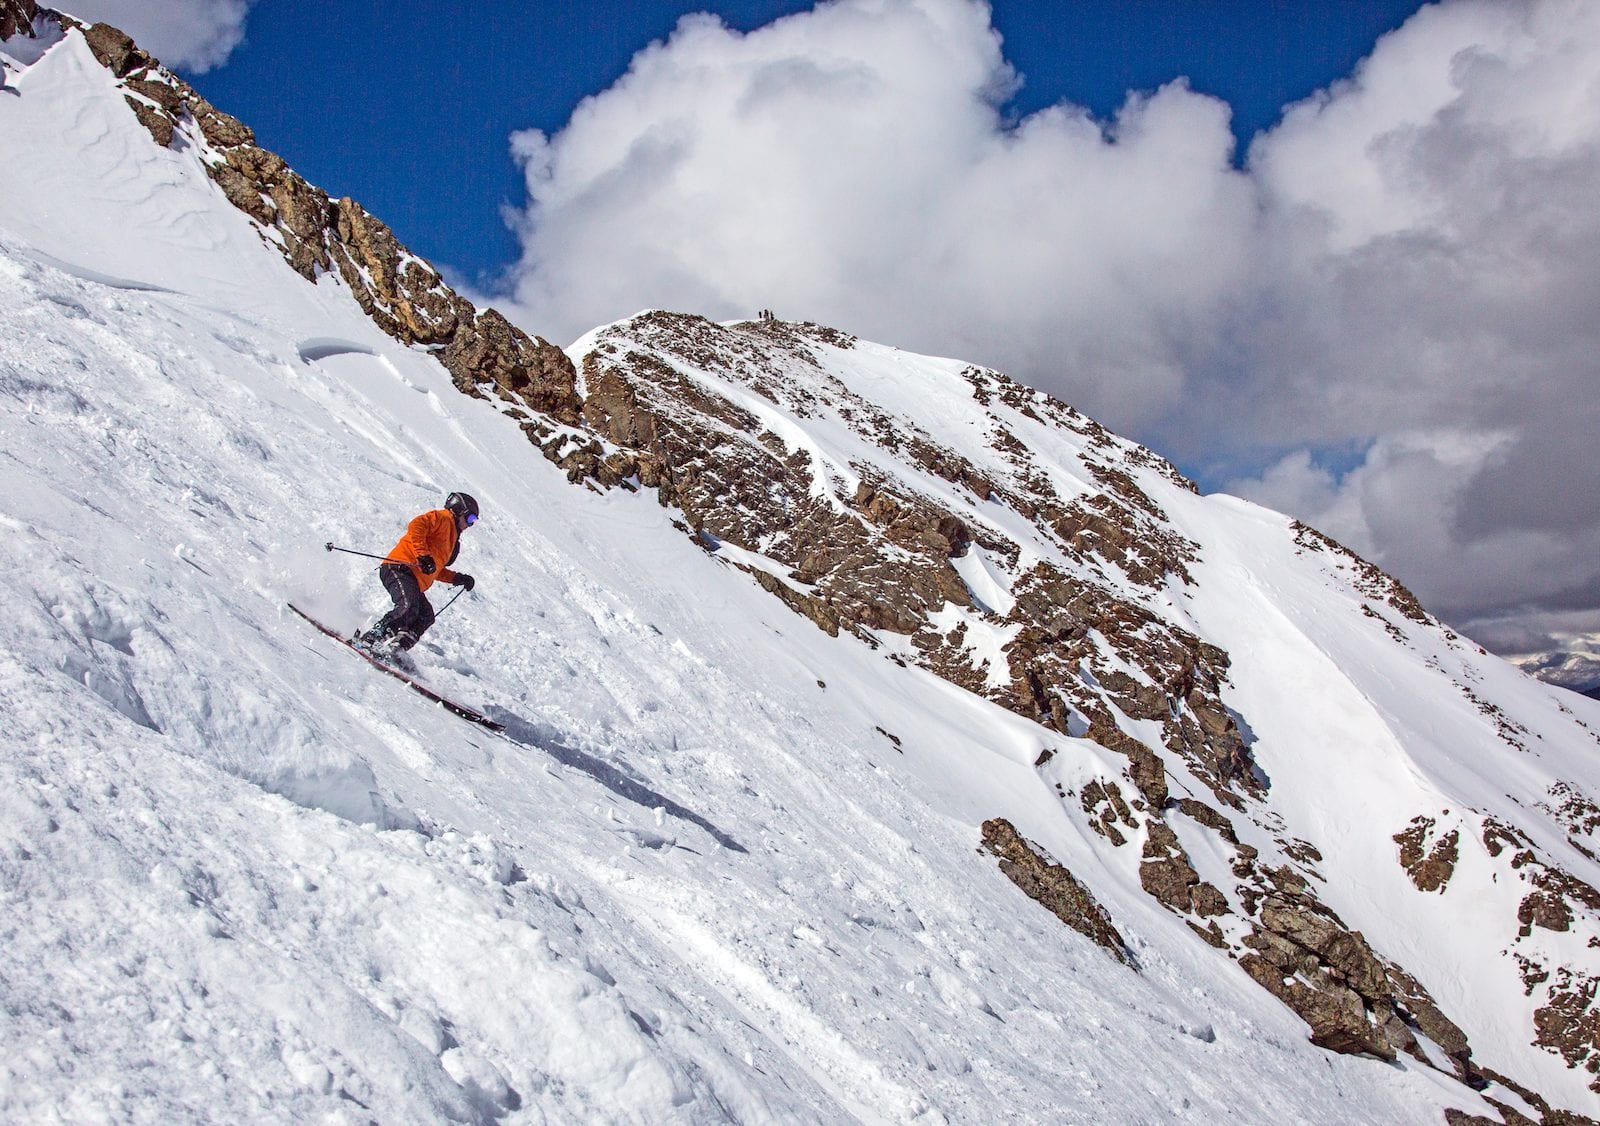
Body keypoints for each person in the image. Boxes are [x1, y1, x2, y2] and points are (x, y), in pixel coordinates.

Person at [359, 492, 479, 654]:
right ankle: (370, 639)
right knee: (408, 607)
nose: (470, 525)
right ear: (459, 510)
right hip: (399, 568)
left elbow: (435, 569)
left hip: (413, 580)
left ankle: (397, 650)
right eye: (470, 519)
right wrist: (422, 555)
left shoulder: (451, 539)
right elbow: (417, 525)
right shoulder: (443, 518)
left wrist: (457, 578)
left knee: (425, 615)